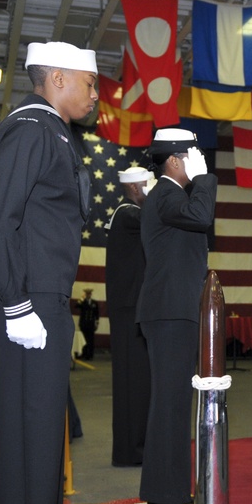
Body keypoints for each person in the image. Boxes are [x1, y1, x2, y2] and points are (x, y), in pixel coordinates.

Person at [0, 40, 99, 504]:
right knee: (27, 438)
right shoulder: (30, 129)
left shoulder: (51, 132)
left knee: (41, 435)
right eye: (88, 83)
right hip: (24, 301)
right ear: (55, 79)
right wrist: (16, 302)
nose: (94, 94)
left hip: (39, 300)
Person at [136, 128, 218, 504]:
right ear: (174, 161)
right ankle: (166, 496)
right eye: (192, 156)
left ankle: (163, 493)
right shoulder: (167, 193)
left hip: (172, 311)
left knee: (170, 404)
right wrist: (205, 180)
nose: (198, 162)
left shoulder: (169, 196)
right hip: (170, 313)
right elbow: (203, 217)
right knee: (170, 406)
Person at [105, 167, 153, 466]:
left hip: (132, 308)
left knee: (139, 383)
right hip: (128, 310)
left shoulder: (129, 215)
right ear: (135, 188)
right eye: (148, 187)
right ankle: (130, 451)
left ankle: (138, 447)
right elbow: (156, 217)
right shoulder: (127, 213)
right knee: (132, 384)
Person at [76, 288, 99, 360]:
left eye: (89, 294)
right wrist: (82, 298)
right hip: (84, 323)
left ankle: (90, 355)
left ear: (91, 294)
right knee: (84, 339)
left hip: (91, 324)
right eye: (87, 294)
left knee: (90, 340)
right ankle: (83, 354)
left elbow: (97, 314)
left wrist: (97, 323)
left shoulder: (94, 303)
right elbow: (76, 306)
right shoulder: (83, 302)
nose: (88, 295)